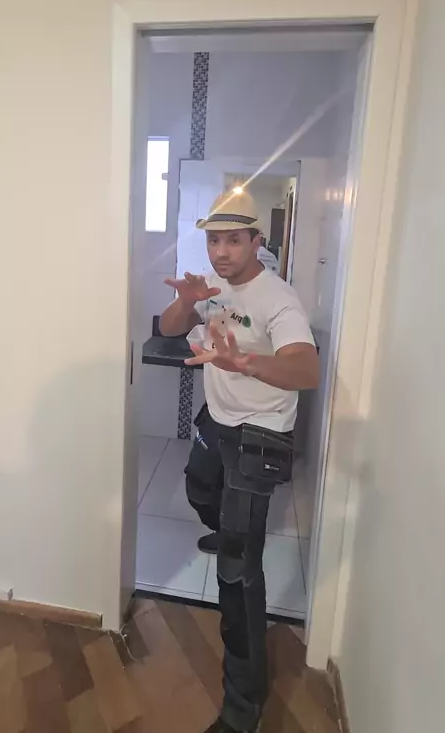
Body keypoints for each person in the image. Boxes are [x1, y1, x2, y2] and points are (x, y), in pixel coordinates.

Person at [159, 189, 319, 733]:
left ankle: (242, 708)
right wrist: (187, 302)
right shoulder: (213, 286)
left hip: (261, 435)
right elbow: (169, 328)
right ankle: (227, 526)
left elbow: (306, 371)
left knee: (237, 571)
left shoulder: (278, 298)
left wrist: (245, 362)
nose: (221, 251)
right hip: (218, 422)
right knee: (198, 490)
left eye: (233, 240)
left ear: (256, 241)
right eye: (214, 241)